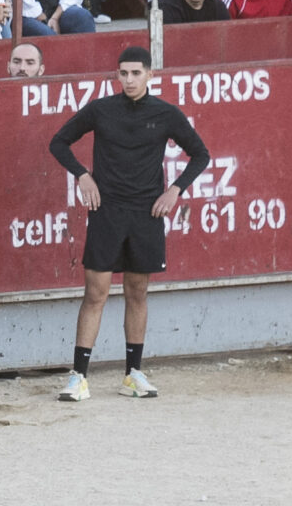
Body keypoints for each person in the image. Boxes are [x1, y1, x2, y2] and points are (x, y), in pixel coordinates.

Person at [51, 49, 207, 401]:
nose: (129, 79)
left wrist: (175, 191)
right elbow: (58, 142)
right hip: (106, 212)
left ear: (150, 74)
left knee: (137, 293)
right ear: (117, 76)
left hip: (147, 214)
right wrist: (82, 176)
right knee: (96, 294)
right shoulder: (101, 109)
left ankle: (132, 374)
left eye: (136, 73)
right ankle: (78, 377)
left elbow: (201, 154)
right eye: (123, 73)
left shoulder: (166, 114)